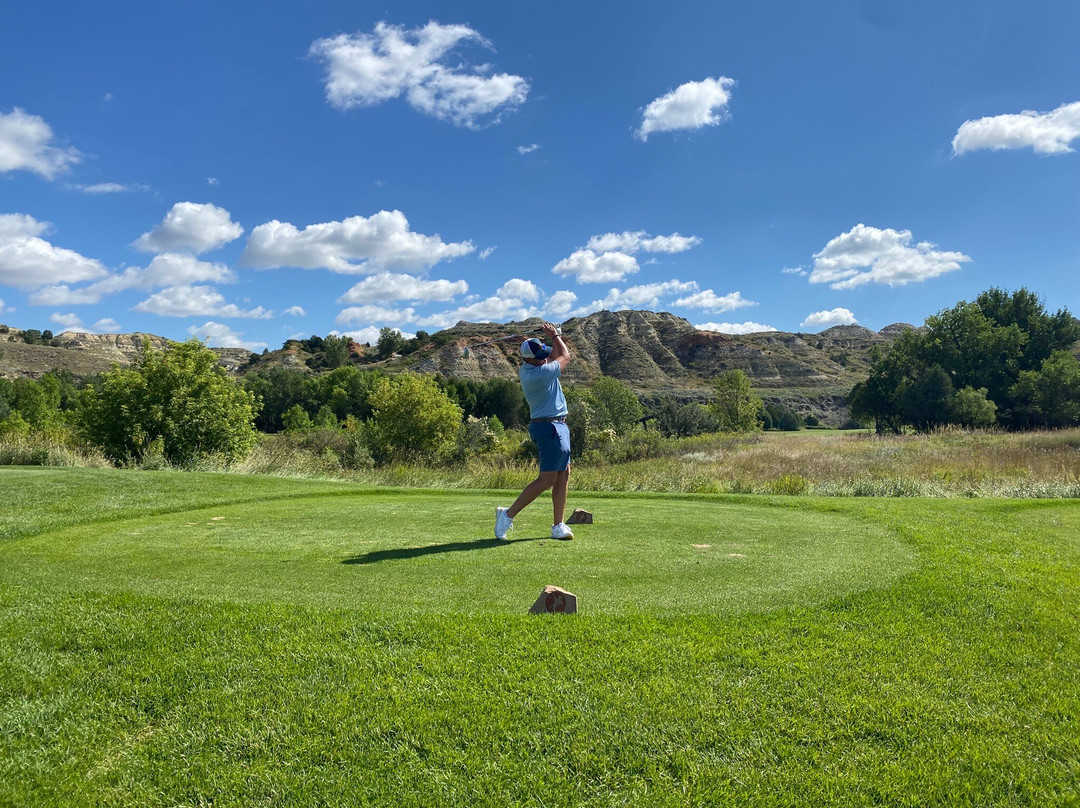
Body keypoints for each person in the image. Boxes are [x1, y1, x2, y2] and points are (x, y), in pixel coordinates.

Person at [494, 322, 574, 540]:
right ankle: (507, 515)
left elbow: (553, 355)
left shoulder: (534, 366)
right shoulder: (538, 375)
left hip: (557, 425)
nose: (544, 358)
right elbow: (565, 357)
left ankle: (558, 525)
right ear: (529, 359)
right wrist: (555, 336)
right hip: (549, 427)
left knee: (563, 473)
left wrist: (554, 336)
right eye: (540, 357)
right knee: (547, 479)